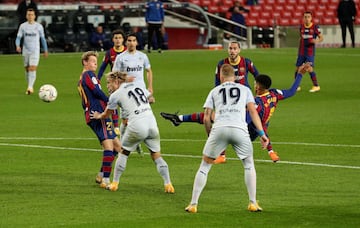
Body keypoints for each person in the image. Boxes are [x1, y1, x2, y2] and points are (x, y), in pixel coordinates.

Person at [185, 64, 269, 213]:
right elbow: (253, 112)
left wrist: (210, 135)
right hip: (239, 129)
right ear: (235, 77)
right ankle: (252, 203)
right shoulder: (245, 90)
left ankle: (193, 204)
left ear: (221, 77)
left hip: (220, 128)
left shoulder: (214, 91)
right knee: (249, 164)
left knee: (205, 166)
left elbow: (206, 118)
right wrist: (262, 134)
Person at [161, 41, 259, 163]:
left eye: (234, 48)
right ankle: (223, 155)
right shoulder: (221, 64)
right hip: (226, 99)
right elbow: (217, 83)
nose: (232, 51)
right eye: (230, 48)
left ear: (239, 50)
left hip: (243, 100)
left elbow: (257, 76)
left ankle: (179, 119)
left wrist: (257, 92)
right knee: (217, 119)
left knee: (229, 122)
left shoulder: (247, 62)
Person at [90, 71, 175, 193]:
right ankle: (168, 184)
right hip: (152, 123)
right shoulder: (138, 86)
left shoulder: (116, 95)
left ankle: (114, 183)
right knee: (156, 155)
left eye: (109, 83)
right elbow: (149, 97)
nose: (108, 86)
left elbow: (106, 113)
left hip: (137, 124)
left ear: (117, 81)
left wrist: (98, 116)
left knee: (123, 153)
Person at [77, 51, 122, 188]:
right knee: (109, 146)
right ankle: (106, 180)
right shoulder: (88, 75)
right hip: (98, 114)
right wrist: (110, 101)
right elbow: (96, 92)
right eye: (92, 61)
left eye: (96, 62)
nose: (95, 64)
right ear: (85, 62)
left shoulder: (82, 78)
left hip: (97, 113)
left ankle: (102, 174)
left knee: (118, 147)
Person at [112, 33, 154, 155]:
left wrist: (150, 87)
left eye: (133, 40)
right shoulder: (120, 58)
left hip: (141, 92)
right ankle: (122, 145)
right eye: (129, 40)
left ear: (137, 43)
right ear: (126, 43)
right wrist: (124, 80)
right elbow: (114, 75)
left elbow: (149, 71)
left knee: (143, 117)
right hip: (126, 93)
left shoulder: (143, 56)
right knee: (126, 120)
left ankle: (140, 144)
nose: (131, 43)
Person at [15, 8, 48, 95]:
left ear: (35, 16)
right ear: (26, 16)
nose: (30, 16)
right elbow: (18, 37)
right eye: (28, 15)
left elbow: (42, 39)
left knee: (32, 68)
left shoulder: (39, 27)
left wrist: (45, 50)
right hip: (26, 51)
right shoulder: (23, 26)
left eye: (32, 15)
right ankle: (29, 85)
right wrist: (17, 45)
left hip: (35, 51)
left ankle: (30, 87)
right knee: (27, 69)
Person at [295, 11, 323, 93]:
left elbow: (321, 38)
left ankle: (316, 86)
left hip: (310, 52)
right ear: (303, 18)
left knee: (309, 68)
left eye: (308, 17)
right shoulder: (301, 27)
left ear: (311, 18)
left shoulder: (315, 27)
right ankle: (297, 86)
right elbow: (301, 38)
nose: (306, 19)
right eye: (305, 17)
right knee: (297, 68)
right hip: (301, 51)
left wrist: (316, 41)